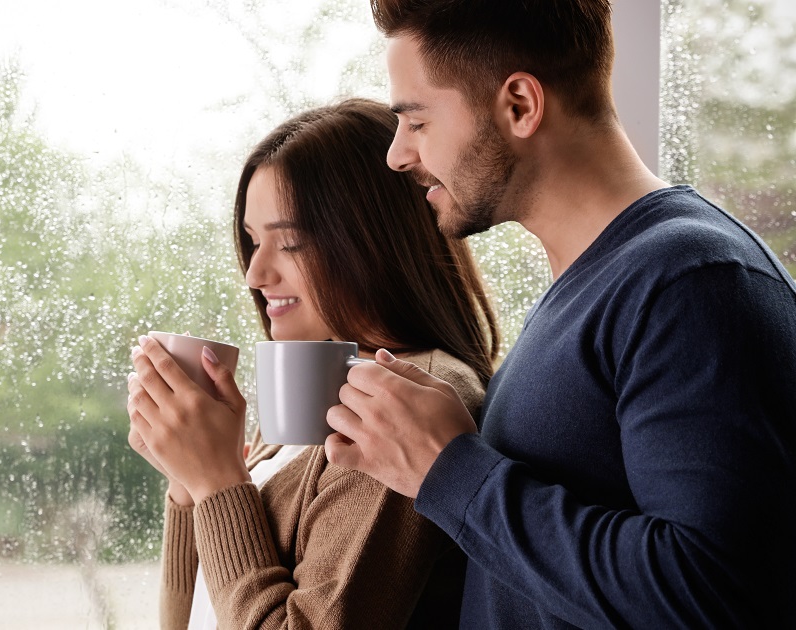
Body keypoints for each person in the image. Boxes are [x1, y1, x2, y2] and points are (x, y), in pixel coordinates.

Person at [323, 1, 796, 628]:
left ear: (520, 103)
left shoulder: (691, 281)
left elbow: (711, 595)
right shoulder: (596, 281)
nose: (397, 155)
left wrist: (447, 469)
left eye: (415, 122)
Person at [125, 98, 500, 629]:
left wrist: (216, 480)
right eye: (254, 242)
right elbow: (193, 617)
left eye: (291, 242)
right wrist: (188, 476)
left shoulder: (408, 404)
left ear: (374, 242)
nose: (255, 273)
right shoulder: (323, 390)